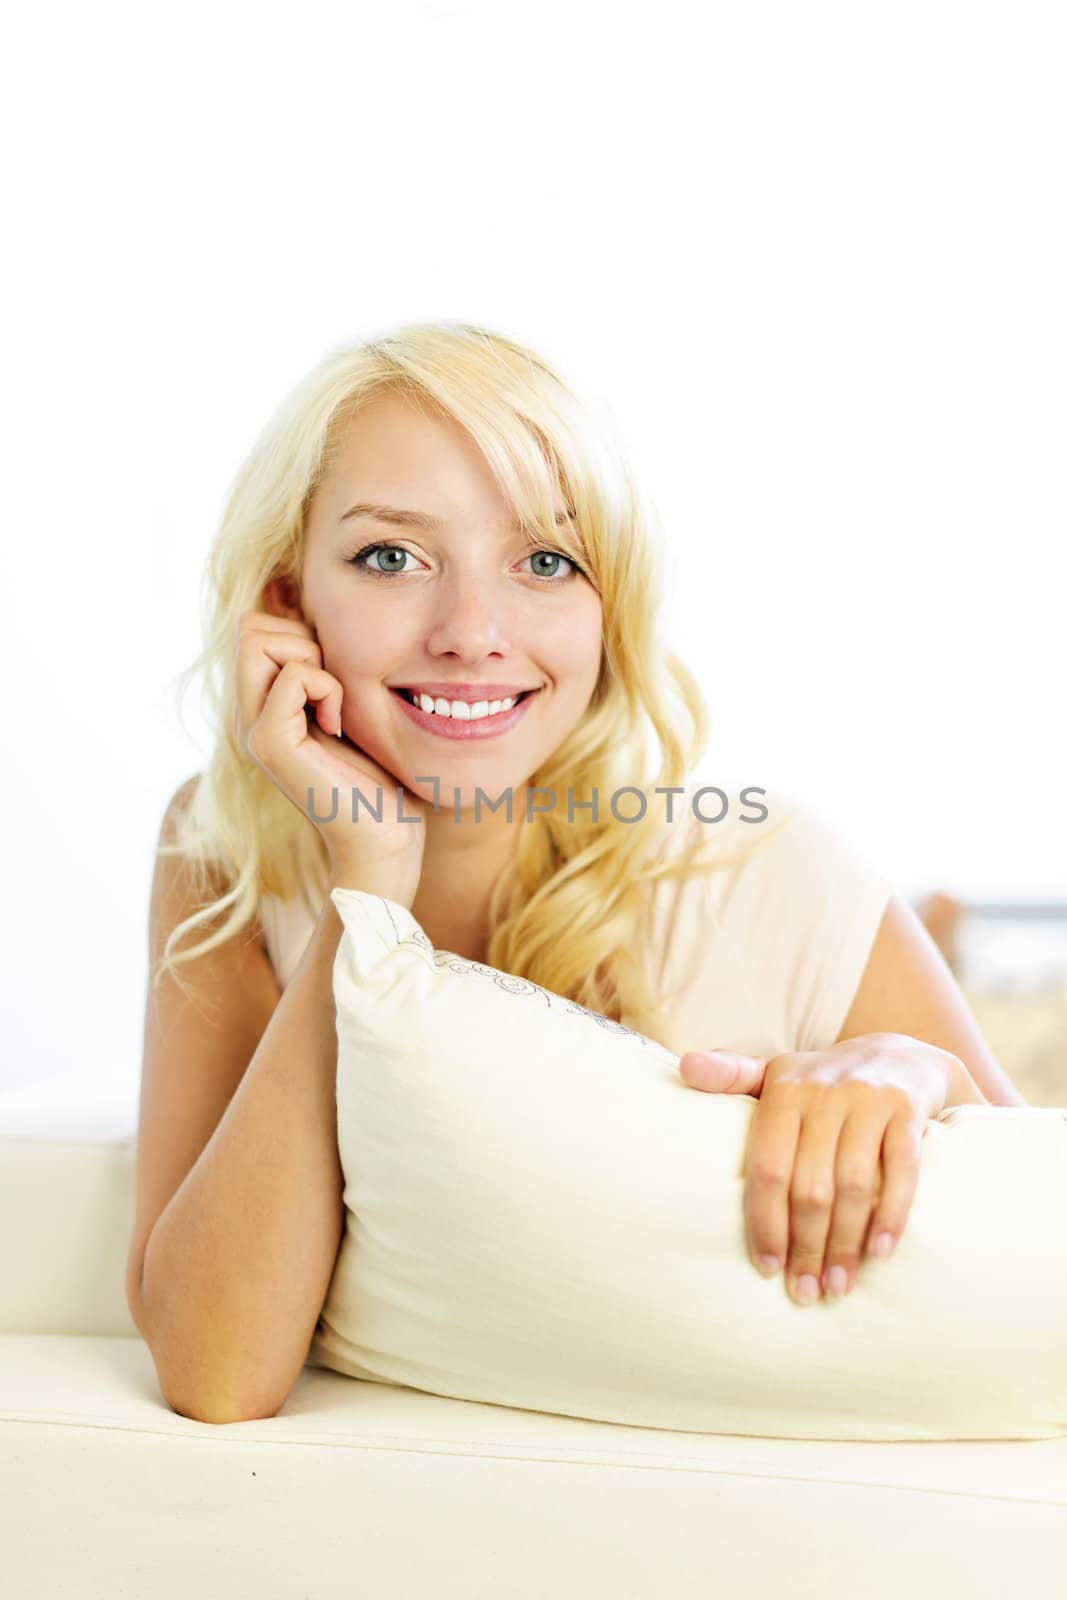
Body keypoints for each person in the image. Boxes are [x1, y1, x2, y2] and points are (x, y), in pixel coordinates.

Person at [126, 319, 1020, 1427]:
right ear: (286, 601)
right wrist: (369, 889)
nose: (470, 631)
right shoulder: (221, 849)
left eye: (544, 560)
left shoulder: (767, 867)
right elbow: (216, 1370)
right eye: (390, 556)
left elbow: (1036, 1270)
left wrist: (911, 1067)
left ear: (609, 607)